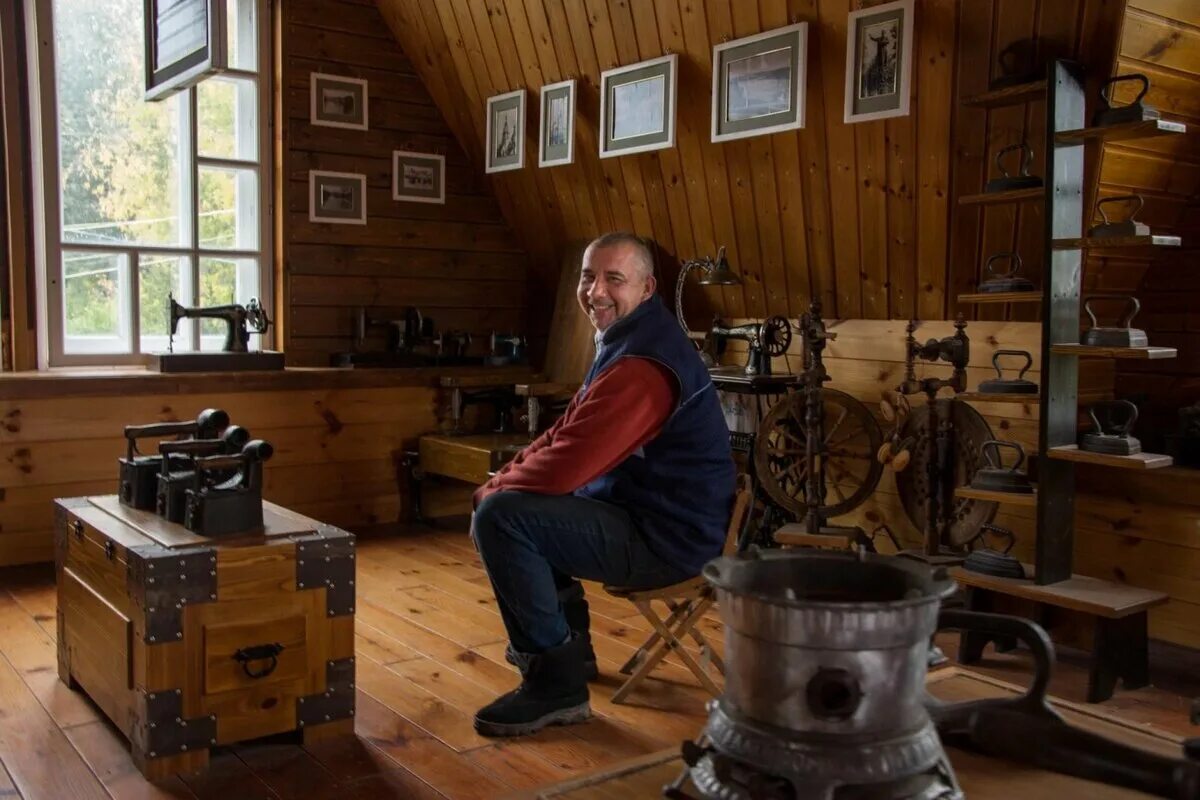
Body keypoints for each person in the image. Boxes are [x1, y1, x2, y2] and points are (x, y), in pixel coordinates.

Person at [469, 232, 736, 737]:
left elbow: (568, 465)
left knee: (503, 518)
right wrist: (503, 478)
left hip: (668, 540)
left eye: (614, 279)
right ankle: (574, 650)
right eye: (589, 276)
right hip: (646, 516)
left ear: (648, 287)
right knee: (514, 502)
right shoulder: (630, 339)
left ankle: (555, 686)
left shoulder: (642, 364)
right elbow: (567, 430)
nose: (595, 291)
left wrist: (496, 494)